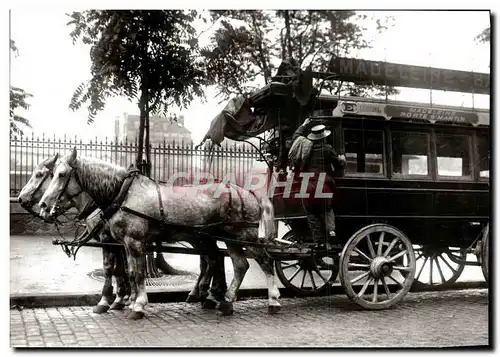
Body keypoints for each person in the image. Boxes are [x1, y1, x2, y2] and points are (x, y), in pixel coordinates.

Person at [290, 118, 346, 245]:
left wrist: (303, 125)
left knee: (311, 213)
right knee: (327, 210)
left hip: (306, 184)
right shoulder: (327, 149)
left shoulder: (305, 147)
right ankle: (331, 232)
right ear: (323, 137)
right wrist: (342, 159)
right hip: (322, 184)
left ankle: (318, 241)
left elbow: (296, 137)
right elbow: (339, 164)